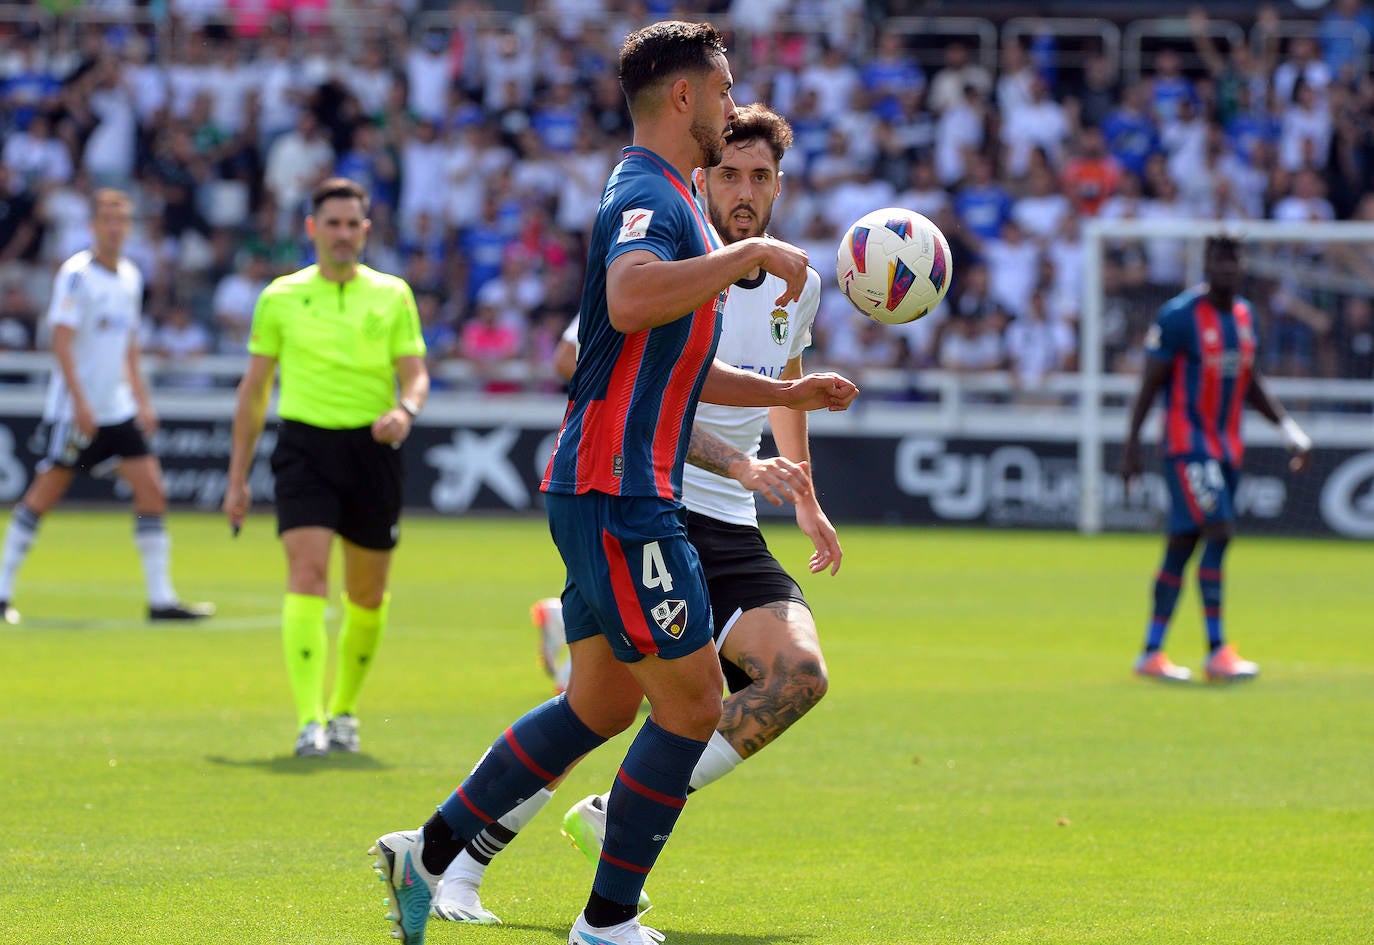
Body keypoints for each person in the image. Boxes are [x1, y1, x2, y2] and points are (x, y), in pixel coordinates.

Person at [368, 22, 858, 945]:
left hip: (608, 484)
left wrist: (786, 391)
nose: (728, 106)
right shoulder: (649, 193)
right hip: (622, 488)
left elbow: (679, 366)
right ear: (685, 97)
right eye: (720, 90)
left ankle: (427, 852)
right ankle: (607, 919)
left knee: (599, 702)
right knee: (695, 704)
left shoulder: (674, 198)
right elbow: (632, 298)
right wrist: (750, 258)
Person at [222, 177, 429, 757]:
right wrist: (236, 479)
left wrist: (405, 409)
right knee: (307, 574)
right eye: (331, 223)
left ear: (366, 231)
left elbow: (415, 373)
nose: (342, 234)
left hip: (373, 448)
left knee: (367, 593)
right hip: (304, 448)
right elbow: (254, 390)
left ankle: (343, 712)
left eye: (351, 224)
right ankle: (309, 720)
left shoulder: (392, 295)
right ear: (312, 229)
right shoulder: (281, 297)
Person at [0, 189, 212, 626]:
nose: (115, 227)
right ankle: (2, 591)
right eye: (107, 219)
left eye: (122, 219)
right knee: (45, 494)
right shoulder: (77, 276)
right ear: (94, 226)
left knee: (151, 489)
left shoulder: (131, 276)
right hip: (76, 410)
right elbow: (59, 342)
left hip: (116, 408)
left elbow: (128, 346)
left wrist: (141, 400)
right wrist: (79, 402)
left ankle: (161, 599)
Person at [1121, 234, 1312, 684]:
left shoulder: (1246, 317)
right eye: (1217, 259)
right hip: (1188, 446)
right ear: (1205, 264)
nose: (1225, 267)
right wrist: (1130, 447)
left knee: (1183, 545)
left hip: (1227, 447)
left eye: (1232, 259)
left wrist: (1289, 429)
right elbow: (1150, 384)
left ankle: (1151, 652)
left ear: (1243, 264)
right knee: (1220, 530)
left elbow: (1251, 382)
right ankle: (1216, 650)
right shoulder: (1179, 317)